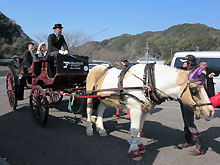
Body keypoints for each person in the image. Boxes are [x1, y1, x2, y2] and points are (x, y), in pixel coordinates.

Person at [177, 54, 206, 156]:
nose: (183, 64)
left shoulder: (198, 72)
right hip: (183, 101)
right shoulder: (186, 72)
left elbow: (202, 87)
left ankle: (200, 146)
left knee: (190, 123)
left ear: (189, 63)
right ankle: (188, 141)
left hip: (191, 101)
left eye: (184, 62)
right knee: (186, 122)